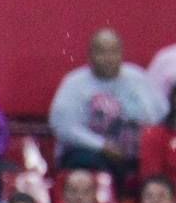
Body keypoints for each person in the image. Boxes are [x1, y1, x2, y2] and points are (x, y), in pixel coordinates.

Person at [49, 28, 170, 175]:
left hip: (135, 153)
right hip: (89, 153)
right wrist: (102, 146)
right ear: (90, 55)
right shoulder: (74, 83)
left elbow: (160, 114)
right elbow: (63, 127)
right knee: (87, 161)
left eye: (114, 52)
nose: (108, 58)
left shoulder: (136, 77)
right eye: (102, 52)